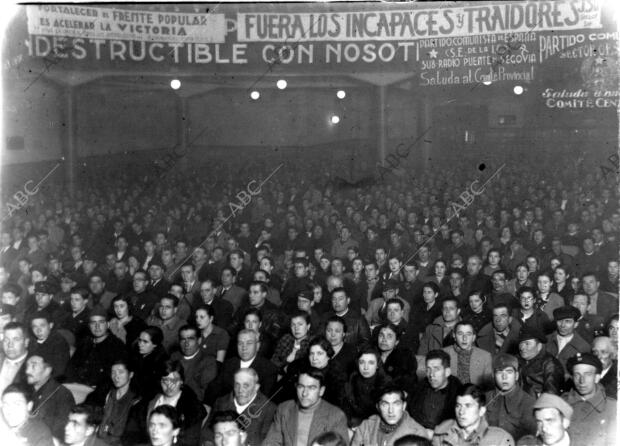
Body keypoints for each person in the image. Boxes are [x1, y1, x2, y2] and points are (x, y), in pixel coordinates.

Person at [262, 367, 349, 446]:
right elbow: (271, 442)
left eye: (311, 388)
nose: (304, 393)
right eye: (301, 387)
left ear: (321, 391)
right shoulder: (284, 409)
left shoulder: (336, 416)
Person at [205, 329, 277, 406]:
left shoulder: (268, 369)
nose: (244, 348)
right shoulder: (229, 363)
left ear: (258, 346)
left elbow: (263, 401)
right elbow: (214, 388)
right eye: (240, 343)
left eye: (249, 343)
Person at [208, 369, 276, 446]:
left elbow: (268, 441)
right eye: (237, 385)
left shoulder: (269, 408)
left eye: (246, 386)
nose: (240, 390)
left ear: (256, 387)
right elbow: (208, 433)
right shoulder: (221, 402)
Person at [561, 353, 617, 446]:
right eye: (577, 375)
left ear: (597, 377)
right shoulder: (560, 404)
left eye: (588, 375)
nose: (581, 381)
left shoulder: (612, 408)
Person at [146, 360, 206, 446]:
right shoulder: (149, 403)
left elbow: (190, 441)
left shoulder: (193, 408)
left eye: (174, 380)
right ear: (160, 381)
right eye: (165, 380)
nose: (170, 385)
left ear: (181, 381)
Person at [432, 384, 515, 445]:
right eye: (458, 406)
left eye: (468, 406)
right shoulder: (442, 433)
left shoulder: (500, 440)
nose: (461, 412)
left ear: (481, 411)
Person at [351, 383, 428, 446]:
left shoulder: (418, 433)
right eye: (385, 404)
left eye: (396, 404)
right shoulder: (366, 427)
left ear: (404, 406)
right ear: (378, 407)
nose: (391, 411)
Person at [407, 350, 462, 436]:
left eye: (436, 369)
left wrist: (435, 434)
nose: (431, 374)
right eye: (428, 369)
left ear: (447, 372)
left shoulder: (459, 394)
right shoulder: (417, 390)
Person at [484, 353, 537, 440]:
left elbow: (528, 439)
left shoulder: (528, 403)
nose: (504, 377)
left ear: (516, 376)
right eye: (500, 372)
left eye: (509, 372)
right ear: (493, 375)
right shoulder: (486, 398)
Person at [25, 352, 75, 440]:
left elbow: (60, 432)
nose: (27, 371)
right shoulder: (22, 389)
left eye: (33, 366)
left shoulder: (62, 395)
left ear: (47, 370)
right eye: (27, 366)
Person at [343, 347, 392, 427]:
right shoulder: (352, 379)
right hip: (355, 423)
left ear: (377, 365)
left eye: (371, 363)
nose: (365, 367)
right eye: (362, 362)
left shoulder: (386, 383)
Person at [99, 360, 140, 446]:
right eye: (113, 372)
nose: (116, 376)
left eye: (120, 372)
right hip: (100, 440)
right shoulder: (109, 394)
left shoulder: (135, 401)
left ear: (131, 374)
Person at [170, 324, 217, 399]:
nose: (186, 344)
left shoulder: (208, 361)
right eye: (183, 339)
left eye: (191, 339)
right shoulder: (174, 357)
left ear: (199, 340)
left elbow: (203, 391)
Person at [443, 320, 493, 388]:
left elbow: (488, 388)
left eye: (468, 334)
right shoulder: (443, 354)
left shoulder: (485, 357)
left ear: (473, 337)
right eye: (460, 334)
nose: (464, 338)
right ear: (454, 335)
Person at [518, 328, 564, 397]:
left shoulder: (550, 364)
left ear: (539, 346)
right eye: (521, 343)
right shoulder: (517, 360)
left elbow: (551, 394)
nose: (522, 348)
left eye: (527, 344)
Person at [545, 306, 591, 374]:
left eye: (568, 321)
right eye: (559, 321)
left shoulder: (583, 347)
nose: (563, 325)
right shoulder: (546, 340)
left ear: (576, 324)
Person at [129, 326, 169, 403]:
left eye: (145, 342)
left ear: (155, 344)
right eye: (139, 340)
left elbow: (153, 390)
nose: (140, 344)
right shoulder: (135, 353)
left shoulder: (161, 362)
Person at [0, 321, 29, 394]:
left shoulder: (34, 365)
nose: (10, 345)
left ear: (26, 342)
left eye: (16, 339)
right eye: (6, 340)